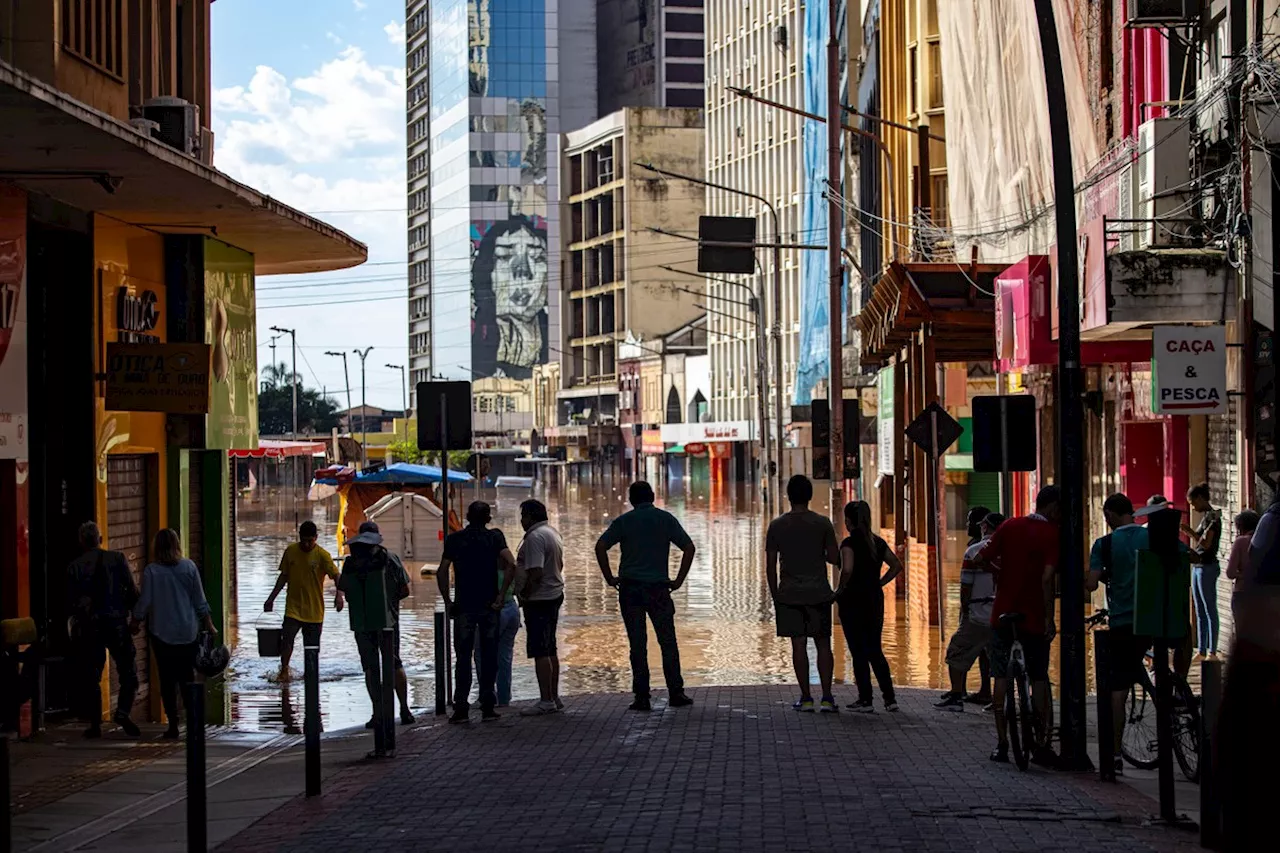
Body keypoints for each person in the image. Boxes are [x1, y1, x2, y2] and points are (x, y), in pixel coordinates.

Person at [975, 484, 1060, 763]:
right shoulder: (1051, 533)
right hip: (1033, 615)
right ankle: (1042, 742)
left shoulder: (1009, 525)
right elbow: (1047, 579)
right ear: (1053, 507)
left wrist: (1001, 573)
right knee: (1038, 677)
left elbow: (981, 557)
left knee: (1000, 676)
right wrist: (1050, 618)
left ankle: (1001, 744)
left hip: (1002, 613)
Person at [595, 481, 696, 712]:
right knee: (667, 641)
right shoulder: (665, 519)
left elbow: (600, 546)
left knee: (637, 644)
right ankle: (676, 693)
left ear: (631, 500)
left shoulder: (624, 522)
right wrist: (678, 580)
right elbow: (689, 548)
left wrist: (610, 578)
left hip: (630, 591)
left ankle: (642, 697)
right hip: (659, 590)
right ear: (652, 496)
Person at [1084, 493, 1149, 776]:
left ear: (1109, 514)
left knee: (1117, 692)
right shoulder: (1152, 537)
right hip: (1156, 621)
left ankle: (1115, 754)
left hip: (1124, 623)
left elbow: (1090, 585)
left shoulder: (1105, 544)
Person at [765, 475, 842, 713]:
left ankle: (806, 698)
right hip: (819, 592)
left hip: (789, 593)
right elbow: (833, 558)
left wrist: (775, 594)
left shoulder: (777, 526)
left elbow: (770, 565)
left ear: (789, 496)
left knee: (798, 644)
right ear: (810, 496)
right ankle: (827, 697)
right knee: (823, 643)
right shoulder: (823, 523)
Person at [132, 529, 216, 739]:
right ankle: (193, 721)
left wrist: (135, 621)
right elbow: (199, 599)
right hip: (188, 631)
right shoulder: (189, 567)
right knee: (187, 677)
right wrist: (209, 624)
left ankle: (172, 725)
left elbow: (145, 601)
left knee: (167, 680)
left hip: (162, 634)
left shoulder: (152, 571)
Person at [437, 503, 516, 723]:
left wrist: (447, 601)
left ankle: (461, 707)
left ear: (468, 517)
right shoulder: (494, 539)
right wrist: (501, 595)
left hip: (464, 606)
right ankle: (488, 705)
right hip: (489, 607)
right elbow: (512, 564)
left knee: (462, 657)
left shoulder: (455, 540)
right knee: (489, 655)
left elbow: (442, 571)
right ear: (488, 518)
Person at [341, 521, 414, 751]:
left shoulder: (350, 563)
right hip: (388, 623)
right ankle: (403, 709)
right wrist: (388, 602)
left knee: (370, 668)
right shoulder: (389, 559)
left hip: (362, 624)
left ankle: (377, 713)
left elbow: (345, 590)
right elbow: (405, 590)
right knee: (394, 663)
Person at [65, 521, 141, 738]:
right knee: (129, 672)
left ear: (81, 541)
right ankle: (123, 712)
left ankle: (95, 724)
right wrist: (136, 619)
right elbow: (132, 591)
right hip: (116, 624)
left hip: (90, 627)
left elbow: (70, 602)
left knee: (92, 676)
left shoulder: (74, 567)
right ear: (100, 539)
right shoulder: (117, 559)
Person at [836, 500, 904, 713]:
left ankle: (865, 700)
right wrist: (880, 583)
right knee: (875, 649)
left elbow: (846, 569)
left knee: (858, 651)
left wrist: (839, 590)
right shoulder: (876, 542)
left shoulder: (848, 543)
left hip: (852, 602)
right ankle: (890, 699)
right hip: (874, 600)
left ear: (848, 521)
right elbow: (896, 566)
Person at [936, 512, 1005, 712]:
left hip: (977, 615)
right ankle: (1000, 702)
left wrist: (964, 610)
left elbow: (965, 587)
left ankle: (956, 696)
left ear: (985, 527)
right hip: (1002, 616)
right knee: (1000, 662)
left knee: (956, 653)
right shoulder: (1013, 551)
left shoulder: (974, 551)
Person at [264, 521, 343, 681]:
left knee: (312, 648)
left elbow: (337, 575)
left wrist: (339, 595)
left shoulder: (322, 555)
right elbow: (283, 576)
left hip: (314, 611)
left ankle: (311, 675)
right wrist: (271, 598)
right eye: (304, 540)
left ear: (316, 538)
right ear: (299, 537)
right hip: (293, 608)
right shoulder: (290, 551)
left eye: (310, 541)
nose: (307, 544)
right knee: (286, 641)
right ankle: (284, 670)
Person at [516, 499, 566, 717]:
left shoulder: (535, 537)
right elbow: (559, 565)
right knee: (550, 647)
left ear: (530, 516)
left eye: (523, 516)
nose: (521, 521)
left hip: (539, 599)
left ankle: (546, 700)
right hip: (552, 594)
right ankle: (554, 697)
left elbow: (535, 572)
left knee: (540, 650)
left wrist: (525, 593)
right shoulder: (552, 533)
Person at [1183, 483, 1223, 658]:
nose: (1192, 507)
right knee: (1199, 609)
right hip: (1198, 566)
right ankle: (1201, 649)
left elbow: (1206, 544)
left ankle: (1212, 650)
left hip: (1208, 567)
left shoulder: (1213, 518)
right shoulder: (1206, 516)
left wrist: (1189, 532)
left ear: (1200, 498)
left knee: (1209, 609)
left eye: (1193, 503)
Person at [1225, 509, 1261, 620]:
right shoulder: (1264, 540)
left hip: (1242, 592)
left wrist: (1243, 575)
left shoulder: (1240, 542)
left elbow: (1230, 573)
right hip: (1261, 593)